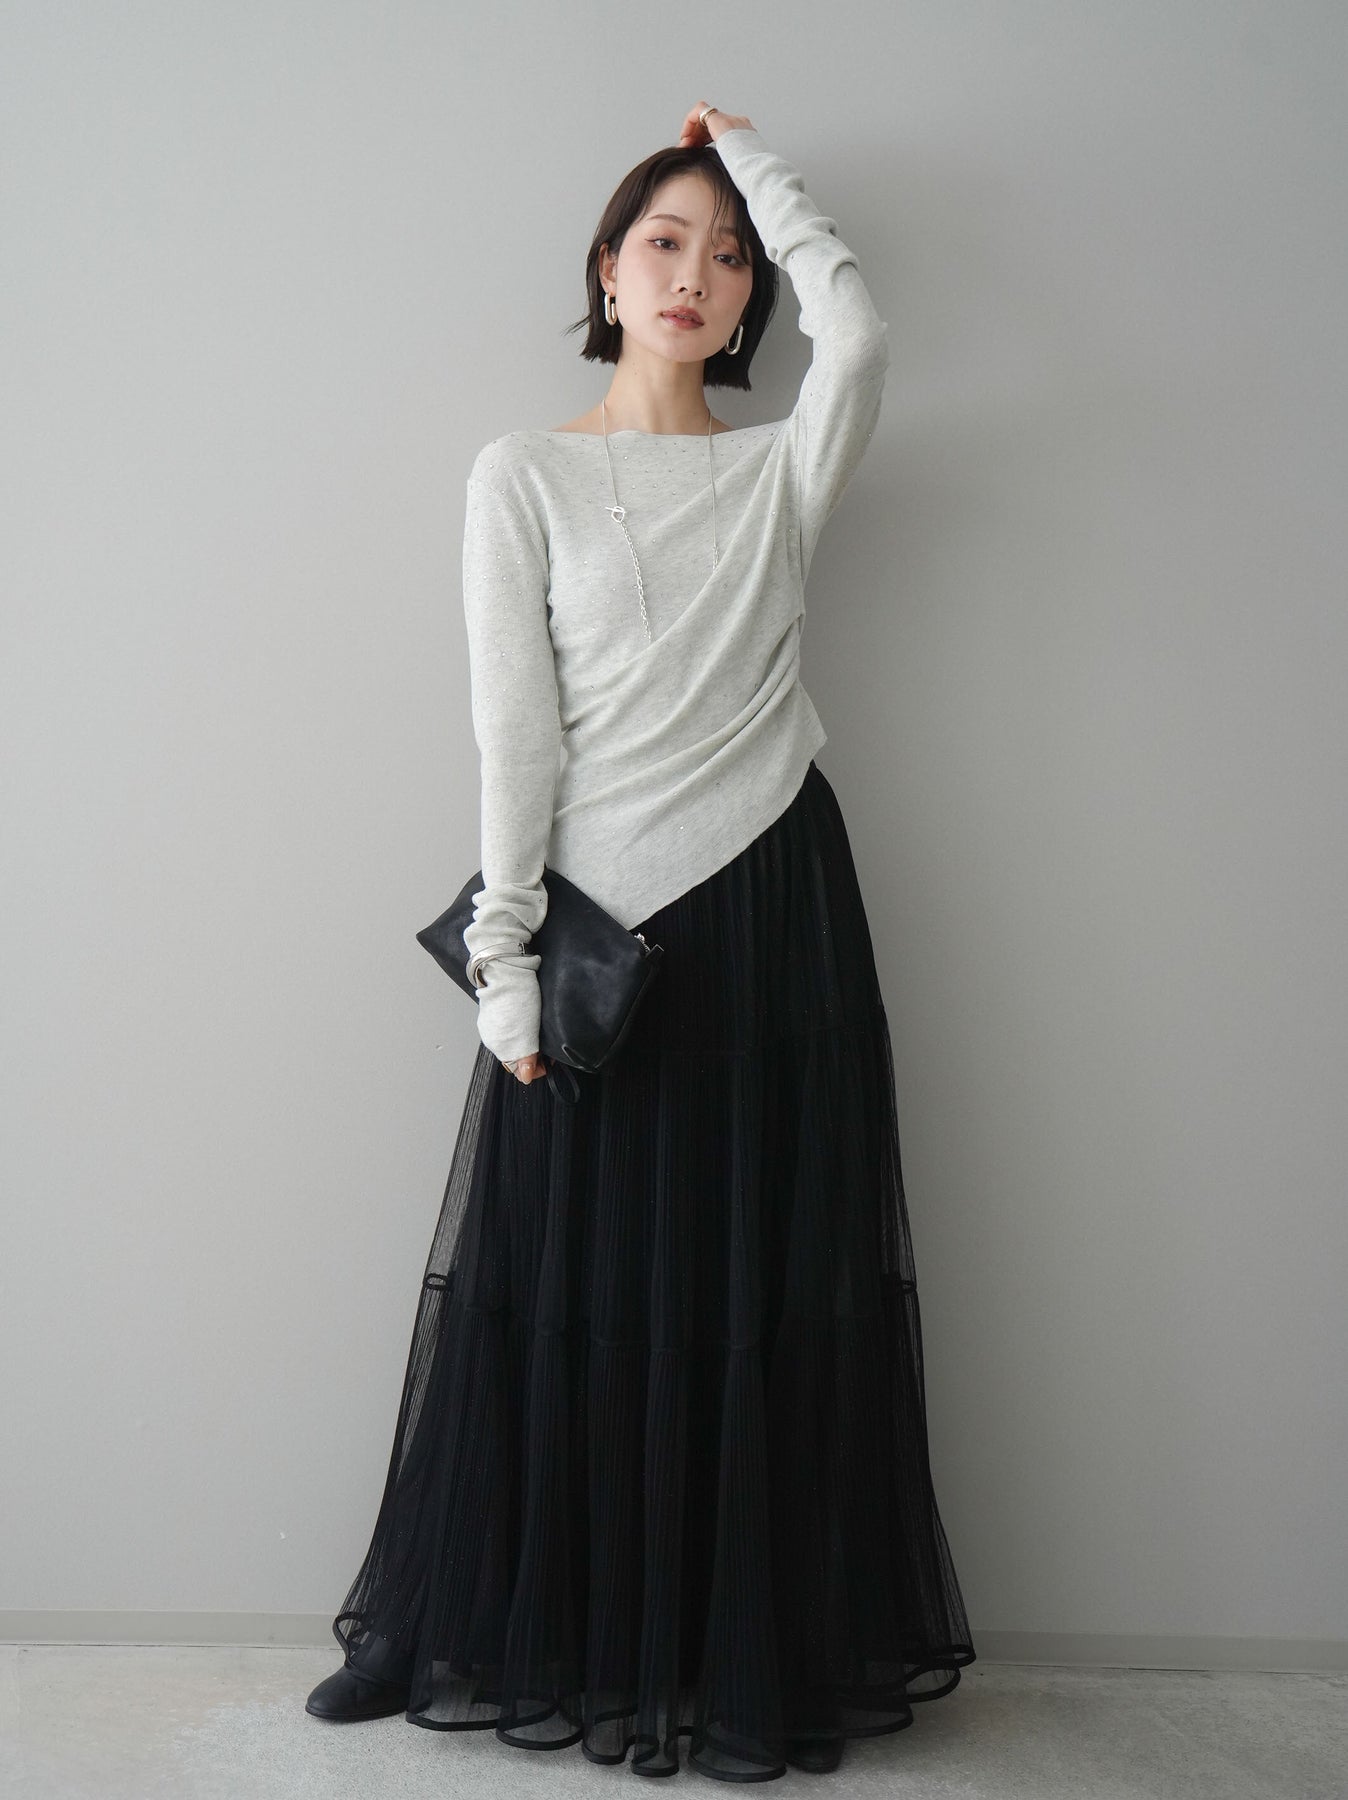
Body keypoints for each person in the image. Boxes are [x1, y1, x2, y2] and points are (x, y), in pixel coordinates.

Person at [305, 99, 975, 1781]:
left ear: (752, 297)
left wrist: (756, 165)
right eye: (665, 242)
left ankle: (734, 1650)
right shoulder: (521, 474)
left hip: (777, 906)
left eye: (728, 257)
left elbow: (864, 338)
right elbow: (513, 738)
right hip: (605, 930)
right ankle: (475, 1625)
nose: (697, 273)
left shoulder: (780, 471)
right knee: (570, 1287)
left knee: (759, 1287)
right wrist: (506, 961)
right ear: (607, 272)